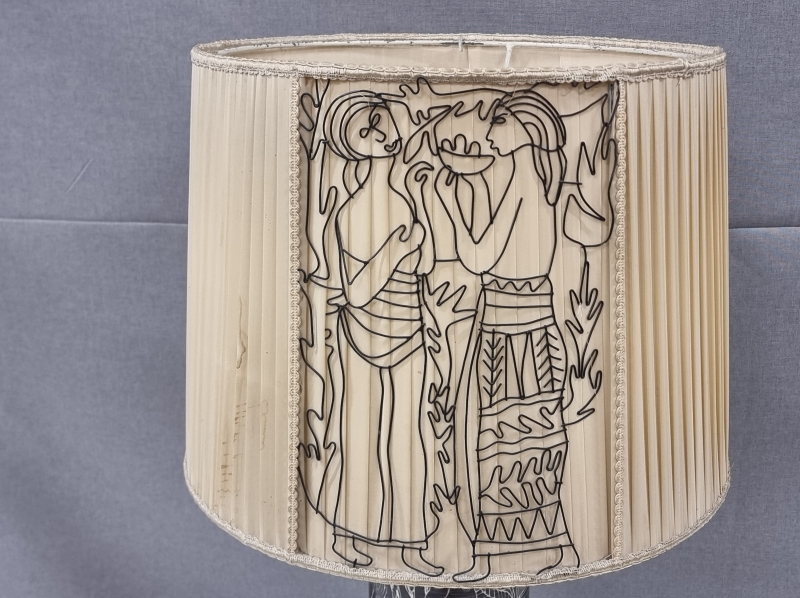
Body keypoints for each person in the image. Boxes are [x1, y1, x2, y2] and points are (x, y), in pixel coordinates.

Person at [434, 88, 580, 580]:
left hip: (511, 330)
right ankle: (541, 548)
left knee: (501, 443)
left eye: (498, 123)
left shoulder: (523, 181)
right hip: (525, 325)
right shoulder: (533, 177)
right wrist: (470, 188)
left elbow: (478, 257)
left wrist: (447, 202)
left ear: (524, 128)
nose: (489, 133)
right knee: (528, 439)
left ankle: (501, 557)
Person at [310, 90, 442, 576]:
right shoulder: (349, 211)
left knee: (410, 440)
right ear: (351, 144)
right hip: (361, 337)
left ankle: (411, 542)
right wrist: (396, 250)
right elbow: (357, 291)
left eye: (382, 121)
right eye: (366, 131)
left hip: (409, 334)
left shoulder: (407, 199)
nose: (381, 135)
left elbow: (424, 265)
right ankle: (345, 534)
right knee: (358, 435)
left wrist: (422, 220)